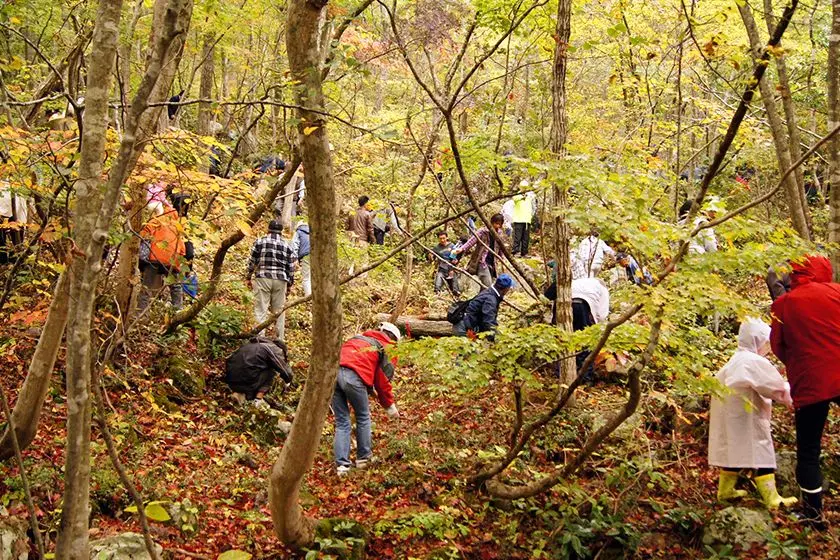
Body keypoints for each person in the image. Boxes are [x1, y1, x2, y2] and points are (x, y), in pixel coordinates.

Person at [770, 255, 840, 527]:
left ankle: (813, 514)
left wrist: (798, 363)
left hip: (811, 382)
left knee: (809, 449)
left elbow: (777, 345)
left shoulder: (784, 304)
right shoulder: (837, 293)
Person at [708, 319, 797, 509]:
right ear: (758, 340)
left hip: (730, 415)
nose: (767, 348)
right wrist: (793, 397)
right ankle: (772, 498)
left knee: (734, 449)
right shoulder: (753, 361)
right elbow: (774, 387)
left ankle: (725, 490)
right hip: (747, 416)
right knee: (760, 450)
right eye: (766, 342)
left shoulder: (734, 360)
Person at [333, 322, 401, 475]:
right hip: (354, 377)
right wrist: (390, 407)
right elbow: (383, 381)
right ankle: (363, 459)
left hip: (332, 376)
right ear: (393, 339)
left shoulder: (358, 339)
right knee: (363, 417)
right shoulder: (388, 348)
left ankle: (342, 466)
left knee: (342, 421)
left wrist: (371, 390)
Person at [246, 219, 296, 340]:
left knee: (260, 310)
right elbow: (291, 267)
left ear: (268, 229)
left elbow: (252, 261)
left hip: (263, 277)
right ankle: (279, 341)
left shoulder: (259, 241)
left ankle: (258, 339)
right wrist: (290, 284)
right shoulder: (287, 245)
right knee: (279, 312)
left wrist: (248, 276)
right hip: (281, 280)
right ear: (281, 231)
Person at [138, 197, 189, 311]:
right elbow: (182, 247)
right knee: (175, 286)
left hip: (155, 257)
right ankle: (178, 310)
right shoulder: (177, 224)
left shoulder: (157, 220)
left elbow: (143, 234)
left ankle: (141, 313)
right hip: (172, 259)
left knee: (147, 287)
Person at [223, 337, 293, 402]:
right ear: (281, 349)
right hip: (247, 379)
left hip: (231, 380)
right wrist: (288, 380)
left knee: (257, 368)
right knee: (271, 370)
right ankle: (258, 400)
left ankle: (239, 394)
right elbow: (284, 369)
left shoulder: (249, 345)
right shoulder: (272, 348)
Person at [454, 274, 514, 339]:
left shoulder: (489, 292)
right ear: (505, 289)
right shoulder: (490, 300)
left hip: (466, 324)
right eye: (509, 288)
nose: (509, 290)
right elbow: (488, 322)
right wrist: (496, 338)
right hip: (463, 328)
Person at [453, 213, 506, 288]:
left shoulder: (499, 234)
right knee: (488, 285)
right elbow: (471, 241)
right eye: (496, 223)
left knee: (485, 287)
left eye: (499, 224)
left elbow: (500, 249)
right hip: (482, 261)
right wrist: (462, 248)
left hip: (492, 263)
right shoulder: (483, 231)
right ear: (492, 222)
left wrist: (502, 260)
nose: (497, 226)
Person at [430, 230, 460, 296]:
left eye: (444, 238)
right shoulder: (436, 248)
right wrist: (431, 256)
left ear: (447, 237)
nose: (442, 240)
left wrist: (456, 261)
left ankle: (456, 295)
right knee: (437, 284)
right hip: (442, 269)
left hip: (451, 269)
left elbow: (457, 257)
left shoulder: (452, 246)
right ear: (438, 239)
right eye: (440, 238)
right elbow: (432, 258)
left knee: (455, 288)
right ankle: (438, 294)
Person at [511, 182, 535, 257]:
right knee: (517, 237)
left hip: (527, 220)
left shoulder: (530, 196)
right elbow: (514, 198)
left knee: (526, 238)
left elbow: (533, 206)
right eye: (523, 187)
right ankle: (515, 252)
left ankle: (524, 252)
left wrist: (531, 216)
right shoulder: (517, 195)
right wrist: (522, 196)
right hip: (518, 219)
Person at [293, 221, 311, 297]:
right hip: (315, 256)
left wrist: (294, 258)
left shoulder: (298, 232)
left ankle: (309, 297)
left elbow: (294, 245)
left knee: (306, 278)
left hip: (305, 256)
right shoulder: (313, 231)